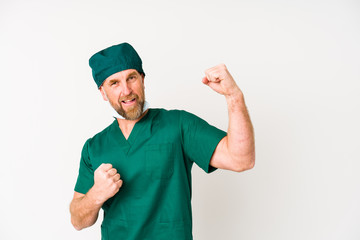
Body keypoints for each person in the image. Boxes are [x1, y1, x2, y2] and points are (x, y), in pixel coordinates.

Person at [70, 42, 255, 240]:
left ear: (142, 79)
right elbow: (78, 221)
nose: (126, 90)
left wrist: (233, 95)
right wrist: (97, 193)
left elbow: (241, 159)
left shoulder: (178, 125)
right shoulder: (94, 147)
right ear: (103, 93)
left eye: (131, 78)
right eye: (114, 83)